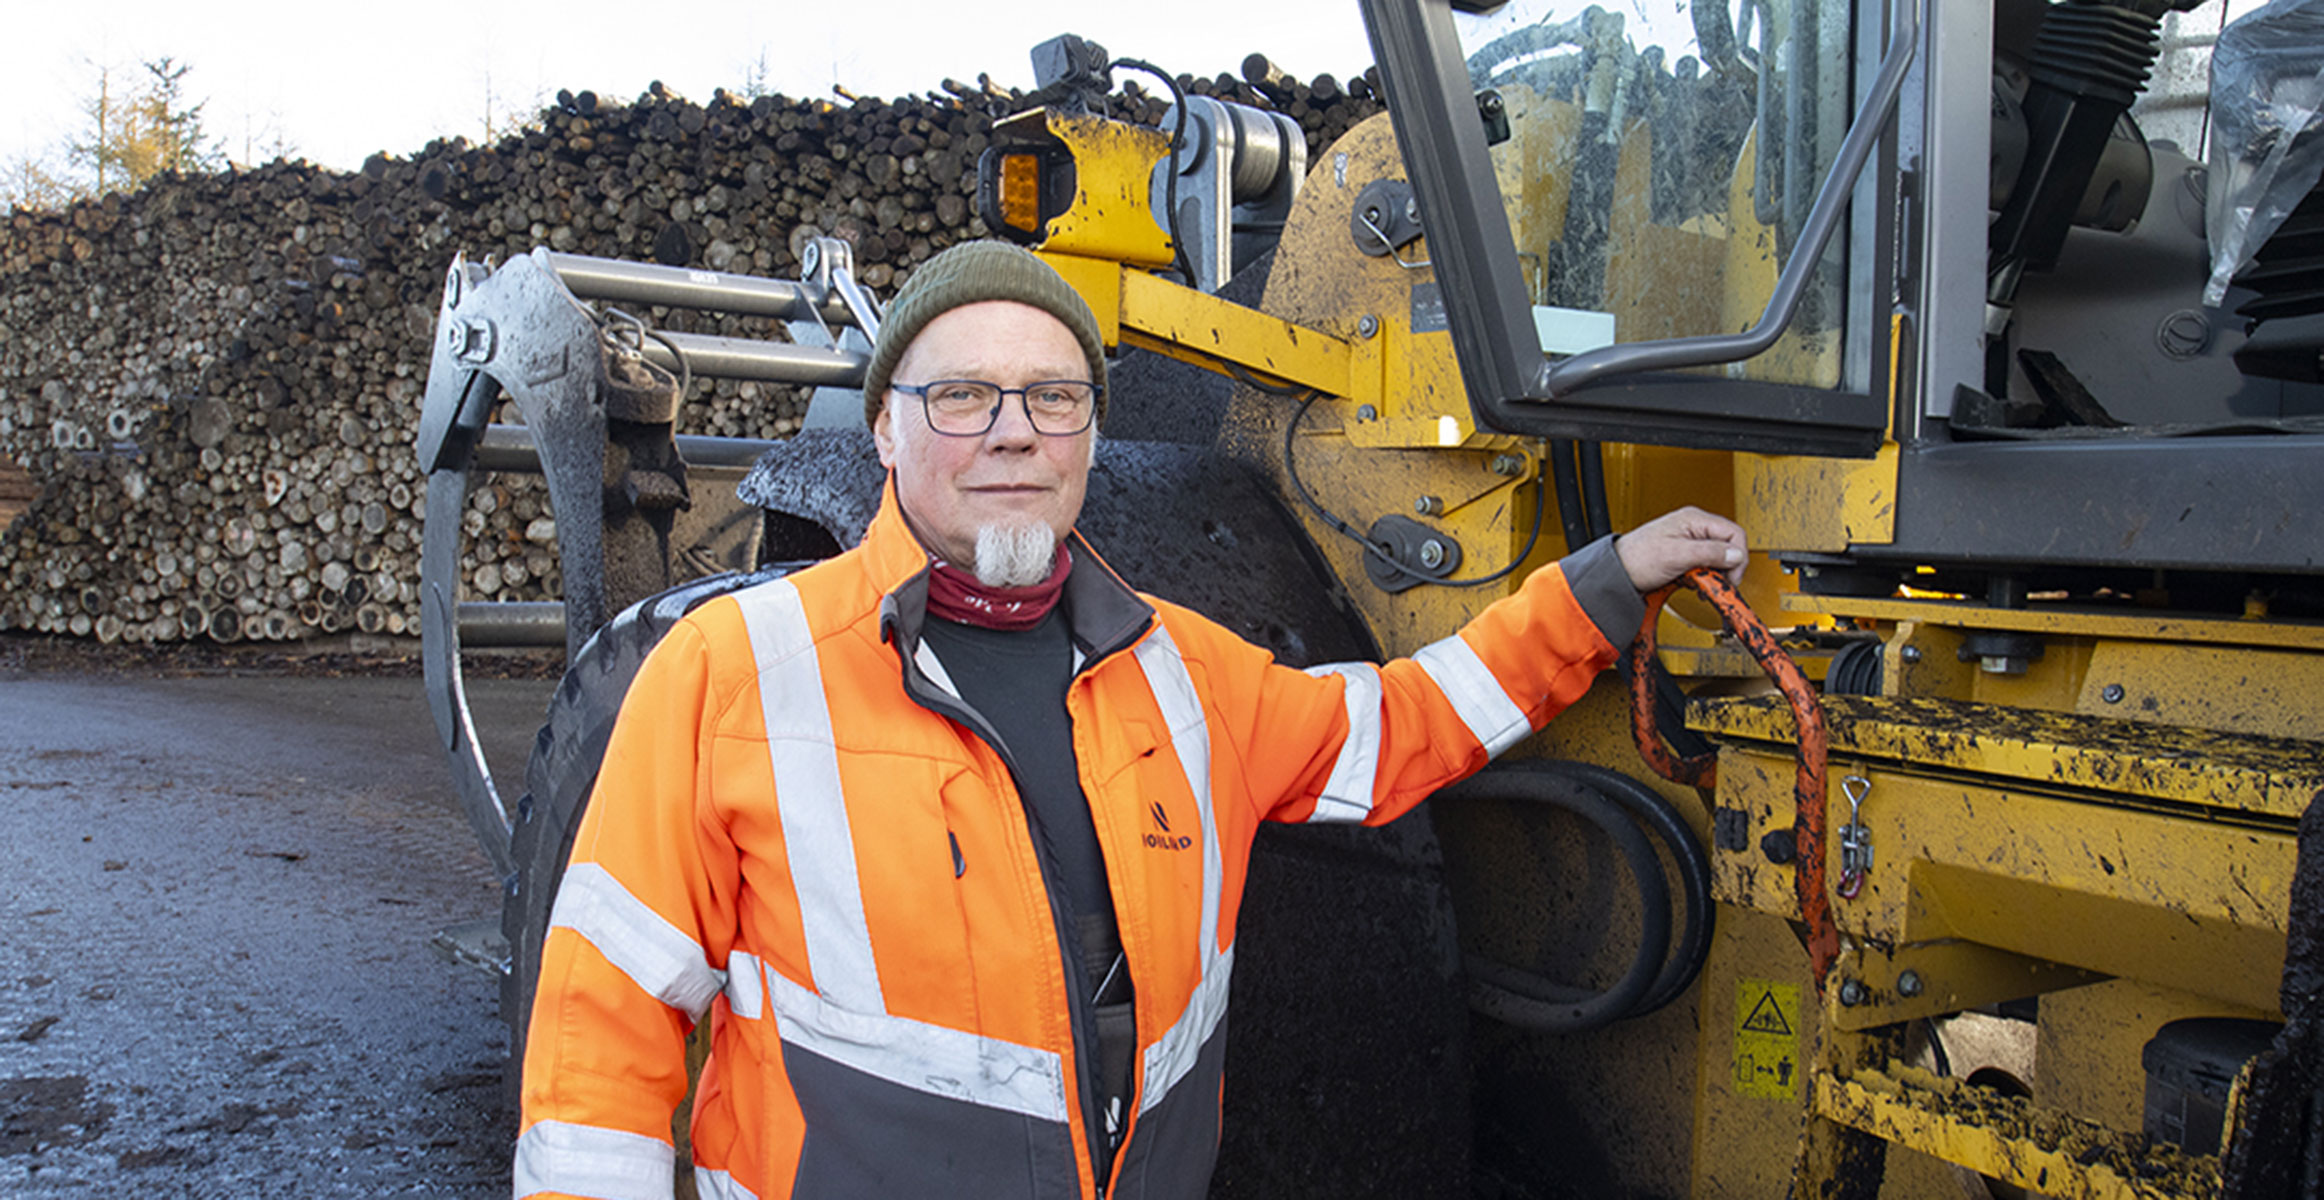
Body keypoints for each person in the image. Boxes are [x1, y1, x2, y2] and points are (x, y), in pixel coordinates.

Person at [514, 240, 1747, 1200]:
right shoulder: (732, 673)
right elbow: (597, 1044)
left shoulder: (1185, 671)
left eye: (1052, 398)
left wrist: (1600, 588)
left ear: (1091, 439)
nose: (1012, 431)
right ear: (884, 427)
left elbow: (1398, 729)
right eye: (962, 396)